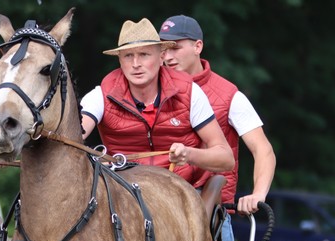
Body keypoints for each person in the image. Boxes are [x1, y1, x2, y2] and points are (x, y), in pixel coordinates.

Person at [160, 15, 277, 241]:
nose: (167, 56)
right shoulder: (150, 88)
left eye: (175, 47)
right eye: (162, 49)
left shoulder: (228, 95)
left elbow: (263, 150)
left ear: (198, 46)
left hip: (210, 210)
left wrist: (258, 194)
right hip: (161, 206)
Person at [79, 18, 234, 186]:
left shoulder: (190, 92)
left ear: (161, 57)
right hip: (123, 195)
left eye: (144, 55)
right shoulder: (100, 95)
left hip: (183, 192)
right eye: (128, 56)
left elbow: (226, 158)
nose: (136, 64)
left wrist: (188, 154)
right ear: (120, 60)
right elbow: (72, 137)